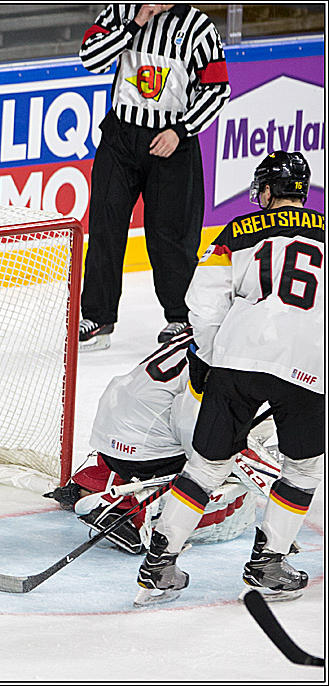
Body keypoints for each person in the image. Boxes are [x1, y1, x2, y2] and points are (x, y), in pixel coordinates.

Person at [134, 151, 324, 606]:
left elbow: (202, 300)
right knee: (301, 469)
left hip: (238, 355)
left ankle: (158, 564)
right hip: (308, 364)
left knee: (204, 467)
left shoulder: (237, 231)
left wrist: (212, 355)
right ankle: (269, 563)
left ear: (265, 191)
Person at [77, 4, 231, 351]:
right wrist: (136, 23)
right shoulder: (122, 10)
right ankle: (98, 318)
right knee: (105, 225)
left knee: (170, 234)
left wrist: (181, 131)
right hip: (121, 137)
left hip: (172, 144)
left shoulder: (198, 28)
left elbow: (217, 89)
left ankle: (180, 316)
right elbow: (91, 58)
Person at [47, 327, 275, 555]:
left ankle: (94, 485)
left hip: (114, 430)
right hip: (144, 447)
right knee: (218, 466)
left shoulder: (206, 330)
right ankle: (126, 507)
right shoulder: (227, 359)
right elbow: (191, 425)